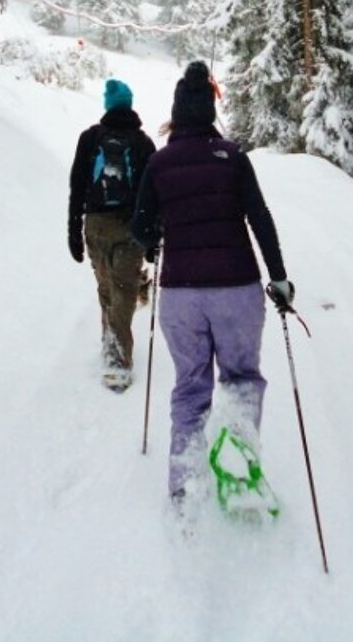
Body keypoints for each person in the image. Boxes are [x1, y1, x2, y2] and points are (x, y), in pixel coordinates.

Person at [130, 61, 295, 504]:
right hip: (236, 290)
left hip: (181, 297)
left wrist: (157, 241)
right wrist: (279, 279)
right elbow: (260, 220)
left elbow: (140, 228)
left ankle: (184, 483)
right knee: (240, 378)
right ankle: (239, 475)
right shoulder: (233, 158)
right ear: (210, 113)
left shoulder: (159, 164)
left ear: (176, 114)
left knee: (191, 385)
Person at [68, 79, 157, 391]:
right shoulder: (143, 143)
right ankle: (116, 358)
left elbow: (77, 186)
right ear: (129, 104)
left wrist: (73, 232)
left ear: (108, 104)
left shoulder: (90, 138)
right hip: (130, 226)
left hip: (95, 224)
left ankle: (113, 347)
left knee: (106, 287)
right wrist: (152, 238)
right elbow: (152, 194)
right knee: (123, 289)